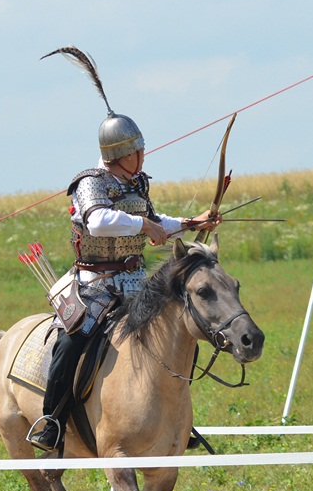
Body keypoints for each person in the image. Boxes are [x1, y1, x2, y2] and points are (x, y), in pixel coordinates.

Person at [28, 48, 218, 451]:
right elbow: (97, 220)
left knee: (178, 330)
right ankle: (52, 421)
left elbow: (154, 221)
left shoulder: (136, 184)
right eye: (136, 150)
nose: (142, 155)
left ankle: (174, 419)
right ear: (119, 154)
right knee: (71, 342)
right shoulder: (90, 183)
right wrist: (144, 224)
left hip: (134, 281)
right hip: (93, 284)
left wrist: (189, 223)